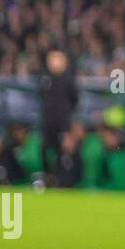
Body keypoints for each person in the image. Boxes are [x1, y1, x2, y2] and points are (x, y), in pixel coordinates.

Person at [37, 49, 78, 185]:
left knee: (63, 153)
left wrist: (67, 122)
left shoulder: (68, 80)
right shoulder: (45, 79)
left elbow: (74, 100)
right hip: (47, 122)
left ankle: (62, 181)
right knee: (44, 149)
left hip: (62, 124)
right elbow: (41, 96)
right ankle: (48, 176)